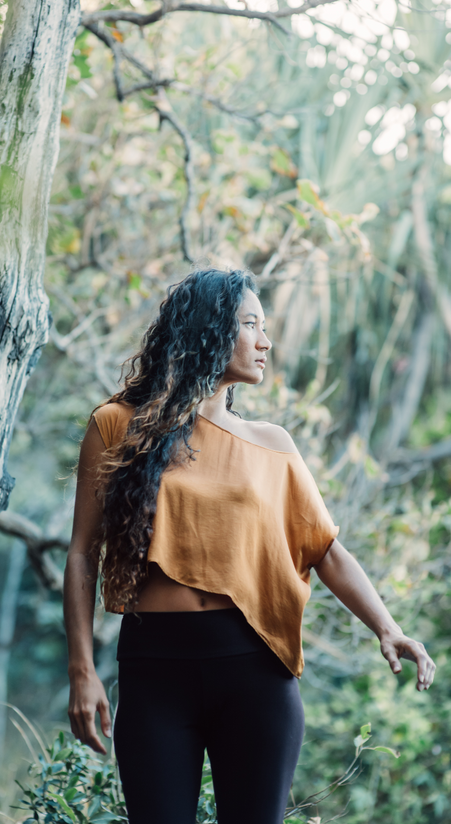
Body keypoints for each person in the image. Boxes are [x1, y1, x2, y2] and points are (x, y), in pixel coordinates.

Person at [63, 268, 436, 824]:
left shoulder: (272, 444)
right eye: (250, 324)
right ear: (209, 330)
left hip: (255, 674)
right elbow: (81, 553)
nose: (266, 341)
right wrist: (82, 669)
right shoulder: (118, 425)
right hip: (154, 670)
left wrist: (388, 627)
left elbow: (326, 549)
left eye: (266, 327)